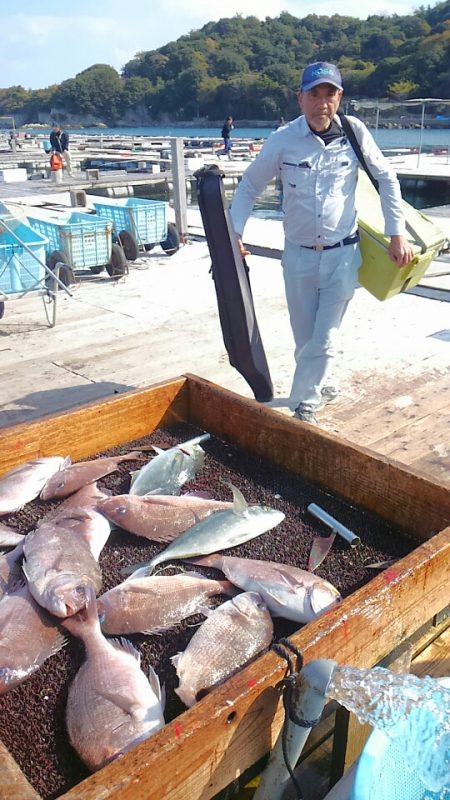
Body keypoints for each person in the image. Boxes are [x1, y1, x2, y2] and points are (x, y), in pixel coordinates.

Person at [230, 61, 414, 425]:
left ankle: (304, 407)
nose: (322, 103)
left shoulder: (355, 133)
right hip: (297, 256)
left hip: (343, 255)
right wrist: (235, 234)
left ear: (339, 97)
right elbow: (250, 185)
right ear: (300, 98)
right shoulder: (283, 140)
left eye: (329, 94)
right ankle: (322, 382)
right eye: (314, 94)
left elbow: (386, 178)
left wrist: (397, 232)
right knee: (305, 338)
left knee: (325, 336)